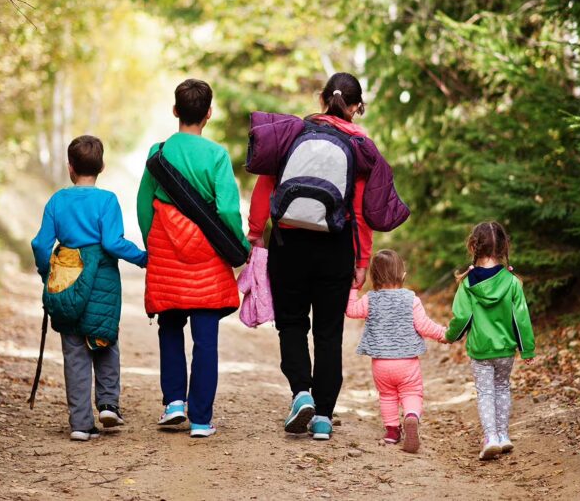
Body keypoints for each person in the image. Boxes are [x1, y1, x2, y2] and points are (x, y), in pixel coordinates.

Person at [248, 72, 375, 440]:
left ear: (322, 100)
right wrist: (362, 260)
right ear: (357, 107)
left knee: (291, 323)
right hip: (335, 246)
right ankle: (323, 417)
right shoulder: (359, 144)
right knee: (329, 332)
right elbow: (362, 210)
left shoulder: (291, 133)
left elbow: (265, 188)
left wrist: (256, 234)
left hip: (288, 245)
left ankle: (301, 392)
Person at [136, 78, 250, 438]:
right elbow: (229, 209)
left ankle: (173, 403)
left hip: (167, 252)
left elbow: (143, 207)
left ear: (175, 111)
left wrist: (152, 247)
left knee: (170, 328)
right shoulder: (216, 156)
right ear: (209, 114)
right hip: (208, 257)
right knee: (205, 338)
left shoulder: (159, 153)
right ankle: (200, 418)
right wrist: (239, 246)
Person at [31, 135, 147, 441]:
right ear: (102, 166)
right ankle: (108, 404)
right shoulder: (107, 200)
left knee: (74, 352)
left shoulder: (57, 201)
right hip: (102, 281)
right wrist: (143, 258)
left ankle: (81, 423)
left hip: (67, 280)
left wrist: (48, 274)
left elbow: (41, 244)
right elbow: (112, 242)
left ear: (70, 168)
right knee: (105, 340)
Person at [445, 221, 536, 460]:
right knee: (503, 388)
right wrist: (527, 349)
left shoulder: (468, 283)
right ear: (505, 247)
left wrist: (450, 336)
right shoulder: (512, 282)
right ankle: (504, 435)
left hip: (480, 350)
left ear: (474, 246)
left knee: (486, 392)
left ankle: (491, 437)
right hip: (505, 349)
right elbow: (522, 318)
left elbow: (462, 316)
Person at [344, 250, 448, 453]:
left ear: (374, 276)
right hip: (407, 362)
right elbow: (424, 325)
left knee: (387, 396)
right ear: (402, 275)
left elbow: (351, 311)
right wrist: (444, 334)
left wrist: (353, 288)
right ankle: (411, 416)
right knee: (411, 392)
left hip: (381, 364)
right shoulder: (411, 299)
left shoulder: (370, 299)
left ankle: (392, 431)